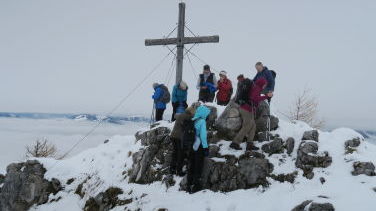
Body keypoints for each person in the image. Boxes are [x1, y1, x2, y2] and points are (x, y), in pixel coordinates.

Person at [230, 78, 273, 150]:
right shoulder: (257, 88)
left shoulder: (255, 87)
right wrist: (266, 96)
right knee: (247, 126)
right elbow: (254, 98)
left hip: (247, 108)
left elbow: (253, 98)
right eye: (264, 84)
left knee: (253, 126)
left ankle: (249, 144)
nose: (265, 86)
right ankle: (235, 143)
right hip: (247, 109)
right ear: (261, 83)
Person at [187, 105, 210, 193]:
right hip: (199, 146)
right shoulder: (202, 121)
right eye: (207, 114)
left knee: (191, 164)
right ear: (204, 114)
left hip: (191, 145)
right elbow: (203, 136)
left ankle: (189, 184)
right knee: (198, 165)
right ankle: (196, 185)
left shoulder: (193, 119)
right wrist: (205, 148)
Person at [169, 104, 198, 176]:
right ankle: (179, 171)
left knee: (175, 153)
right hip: (180, 137)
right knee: (180, 154)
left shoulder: (181, 114)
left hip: (173, 136)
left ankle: (172, 169)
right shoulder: (188, 117)